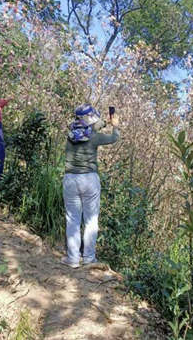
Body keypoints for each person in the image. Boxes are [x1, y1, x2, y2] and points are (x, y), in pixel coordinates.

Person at [62, 103, 120, 268]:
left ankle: (73, 259)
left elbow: (90, 126)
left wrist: (106, 122)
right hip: (89, 179)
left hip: (70, 179)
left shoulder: (71, 133)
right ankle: (89, 258)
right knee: (91, 220)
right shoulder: (94, 136)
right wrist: (115, 126)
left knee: (72, 220)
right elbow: (114, 138)